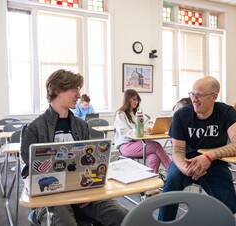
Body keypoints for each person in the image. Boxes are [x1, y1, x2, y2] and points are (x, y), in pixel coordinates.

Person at [20, 69, 128, 226]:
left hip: (84, 193)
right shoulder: (34, 128)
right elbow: (27, 172)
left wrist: (89, 192)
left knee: (124, 216)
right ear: (58, 90)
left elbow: (90, 165)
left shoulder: (81, 125)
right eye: (74, 90)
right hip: (51, 199)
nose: (79, 95)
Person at [158, 76, 236, 221]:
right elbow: (178, 151)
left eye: (199, 95)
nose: (194, 99)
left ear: (214, 96)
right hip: (186, 161)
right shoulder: (181, 115)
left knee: (229, 206)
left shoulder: (226, 112)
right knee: (170, 188)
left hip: (214, 162)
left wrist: (209, 157)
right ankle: (163, 223)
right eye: (192, 94)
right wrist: (186, 169)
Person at [114, 89, 172, 174]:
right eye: (134, 99)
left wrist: (149, 128)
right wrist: (141, 130)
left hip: (138, 144)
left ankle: (151, 182)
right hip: (125, 146)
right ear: (127, 100)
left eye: (137, 100)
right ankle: (172, 171)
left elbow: (146, 123)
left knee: (154, 157)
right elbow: (125, 132)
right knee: (156, 145)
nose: (136, 102)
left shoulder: (136, 113)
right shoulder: (120, 114)